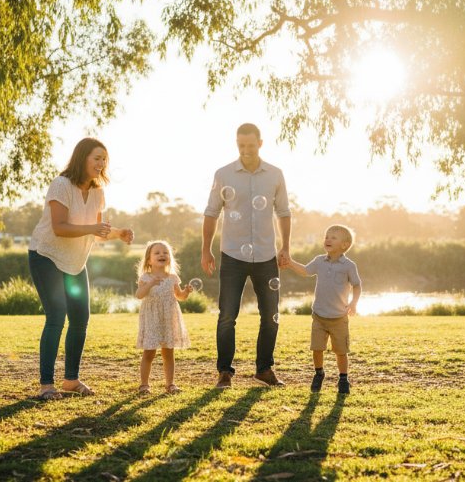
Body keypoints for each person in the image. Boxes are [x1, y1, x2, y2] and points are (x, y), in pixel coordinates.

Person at [28, 137, 134, 400]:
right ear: (82, 158)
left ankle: (71, 380)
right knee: (56, 316)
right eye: (96, 158)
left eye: (104, 159)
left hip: (76, 261)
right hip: (47, 256)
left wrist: (119, 233)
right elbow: (59, 227)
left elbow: (96, 232)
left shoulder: (98, 192)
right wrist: (93, 229)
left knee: (80, 319)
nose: (101, 163)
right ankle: (46, 385)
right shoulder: (61, 185)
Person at [202, 123, 292, 389]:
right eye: (241, 145)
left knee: (271, 316)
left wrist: (285, 247)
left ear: (260, 143)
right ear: (236, 144)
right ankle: (225, 373)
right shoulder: (224, 174)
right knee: (227, 315)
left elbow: (284, 212)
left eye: (251, 145)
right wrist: (206, 249)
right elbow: (211, 212)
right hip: (232, 255)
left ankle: (264, 369)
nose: (246, 150)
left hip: (266, 255)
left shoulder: (275, 174)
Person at [284, 224, 362, 394]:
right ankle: (319, 373)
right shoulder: (319, 261)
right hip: (319, 316)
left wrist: (354, 303)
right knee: (317, 348)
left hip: (339, 318)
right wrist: (289, 263)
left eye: (333, 237)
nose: (328, 239)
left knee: (341, 351)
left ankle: (343, 378)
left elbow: (357, 285)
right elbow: (305, 271)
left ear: (344, 245)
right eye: (326, 236)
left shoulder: (349, 265)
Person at [135, 240, 194, 395]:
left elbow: (179, 296)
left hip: (168, 317)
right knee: (149, 352)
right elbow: (139, 295)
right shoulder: (146, 277)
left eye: (165, 252)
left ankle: (170, 384)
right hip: (152, 319)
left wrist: (186, 292)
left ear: (170, 257)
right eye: (157, 253)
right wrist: (150, 284)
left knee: (168, 352)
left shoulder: (173, 277)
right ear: (149, 260)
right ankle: (144, 385)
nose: (162, 255)